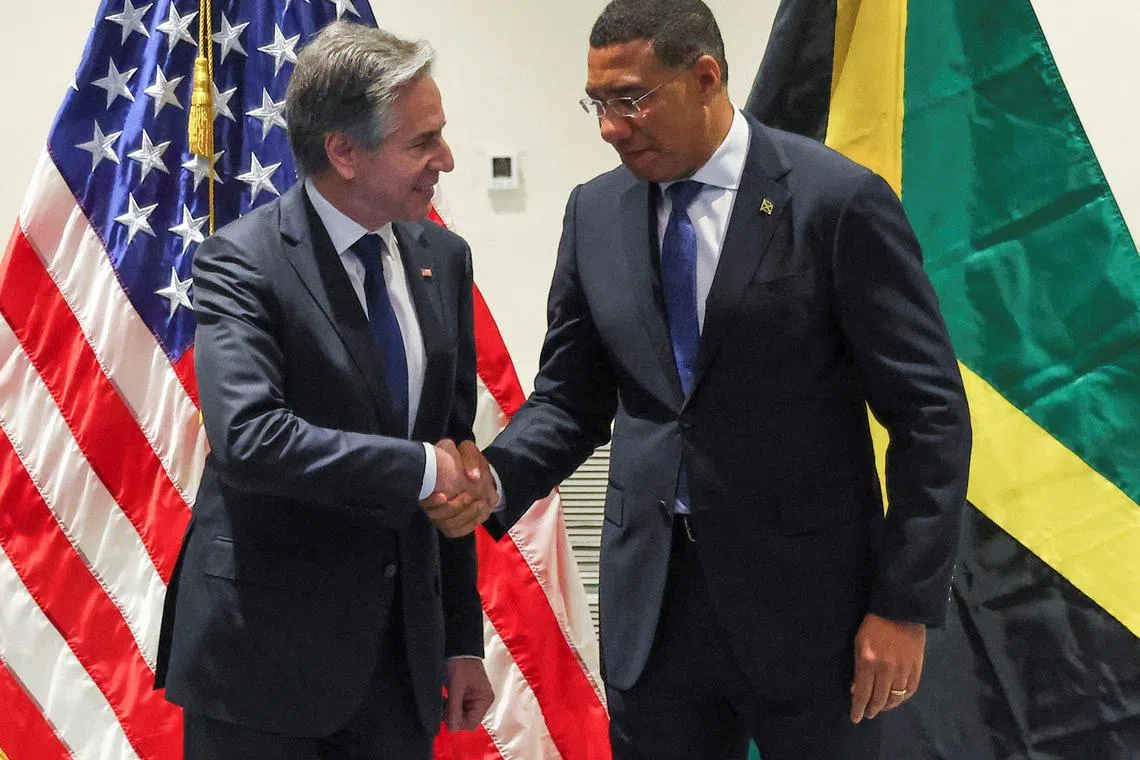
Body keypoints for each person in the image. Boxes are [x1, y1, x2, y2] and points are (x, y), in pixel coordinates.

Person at [478, 1, 972, 758]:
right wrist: (485, 486)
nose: (611, 127)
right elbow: (571, 401)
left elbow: (929, 414)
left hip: (813, 617)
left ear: (705, 77)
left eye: (631, 99)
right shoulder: (595, 212)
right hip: (655, 613)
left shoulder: (836, 202)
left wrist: (904, 606)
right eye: (598, 104)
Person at [154, 21, 497, 759]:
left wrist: (461, 640)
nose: (446, 159)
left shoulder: (444, 257)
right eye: (422, 142)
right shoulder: (242, 262)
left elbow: (454, 451)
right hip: (262, 670)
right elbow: (251, 439)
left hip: (399, 670)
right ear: (343, 151)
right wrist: (425, 470)